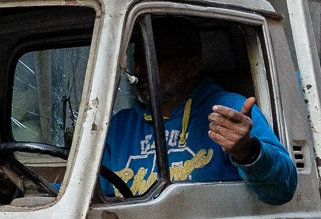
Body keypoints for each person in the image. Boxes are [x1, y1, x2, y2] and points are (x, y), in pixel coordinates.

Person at [94, 16, 298, 205]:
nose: (138, 70)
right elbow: (92, 193)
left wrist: (248, 151)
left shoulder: (229, 111)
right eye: (137, 59)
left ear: (192, 66)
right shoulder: (121, 126)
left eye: (154, 58)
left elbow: (283, 189)